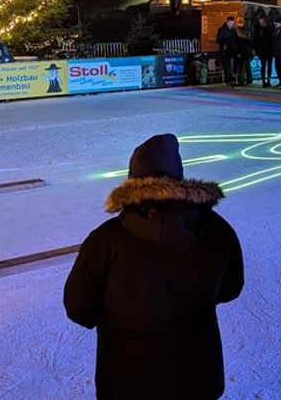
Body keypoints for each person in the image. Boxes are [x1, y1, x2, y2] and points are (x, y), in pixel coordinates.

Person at [64, 134, 243, 400]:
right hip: (197, 378)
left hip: (127, 382)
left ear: (132, 182)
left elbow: (79, 309)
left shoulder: (105, 240)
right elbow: (230, 288)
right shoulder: (218, 230)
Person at [215, 16, 239, 87]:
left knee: (232, 65)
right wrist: (223, 44)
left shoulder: (233, 30)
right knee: (226, 65)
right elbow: (218, 39)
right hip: (224, 50)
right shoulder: (221, 29)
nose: (231, 24)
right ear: (227, 22)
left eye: (232, 23)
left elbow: (236, 39)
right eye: (230, 23)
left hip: (232, 50)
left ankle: (232, 80)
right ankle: (228, 80)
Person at [253, 15, 275, 87]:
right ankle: (263, 81)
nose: (261, 23)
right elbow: (255, 40)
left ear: (265, 21)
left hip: (269, 51)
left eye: (262, 21)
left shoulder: (269, 28)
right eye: (260, 21)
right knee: (263, 66)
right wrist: (256, 50)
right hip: (262, 51)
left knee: (269, 66)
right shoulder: (257, 29)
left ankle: (268, 81)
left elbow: (272, 40)